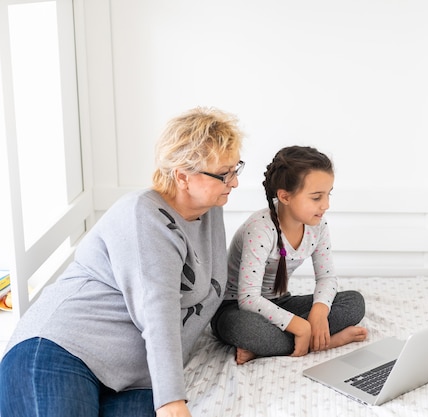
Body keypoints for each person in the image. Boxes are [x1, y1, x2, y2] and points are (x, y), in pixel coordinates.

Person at [0, 107, 245, 417]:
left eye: (236, 169)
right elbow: (158, 310)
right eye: (224, 173)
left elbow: (213, 292)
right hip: (63, 349)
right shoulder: (144, 215)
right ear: (183, 176)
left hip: (131, 381)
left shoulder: (209, 213)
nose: (234, 182)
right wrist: (171, 400)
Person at [211, 145, 367, 365]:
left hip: (280, 303)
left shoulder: (317, 226)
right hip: (237, 308)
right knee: (247, 330)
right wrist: (300, 326)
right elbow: (248, 299)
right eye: (316, 197)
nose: (326, 205)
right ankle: (324, 342)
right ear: (285, 196)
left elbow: (327, 277)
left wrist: (319, 312)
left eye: (328, 195)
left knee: (354, 302)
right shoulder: (260, 229)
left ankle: (274, 346)